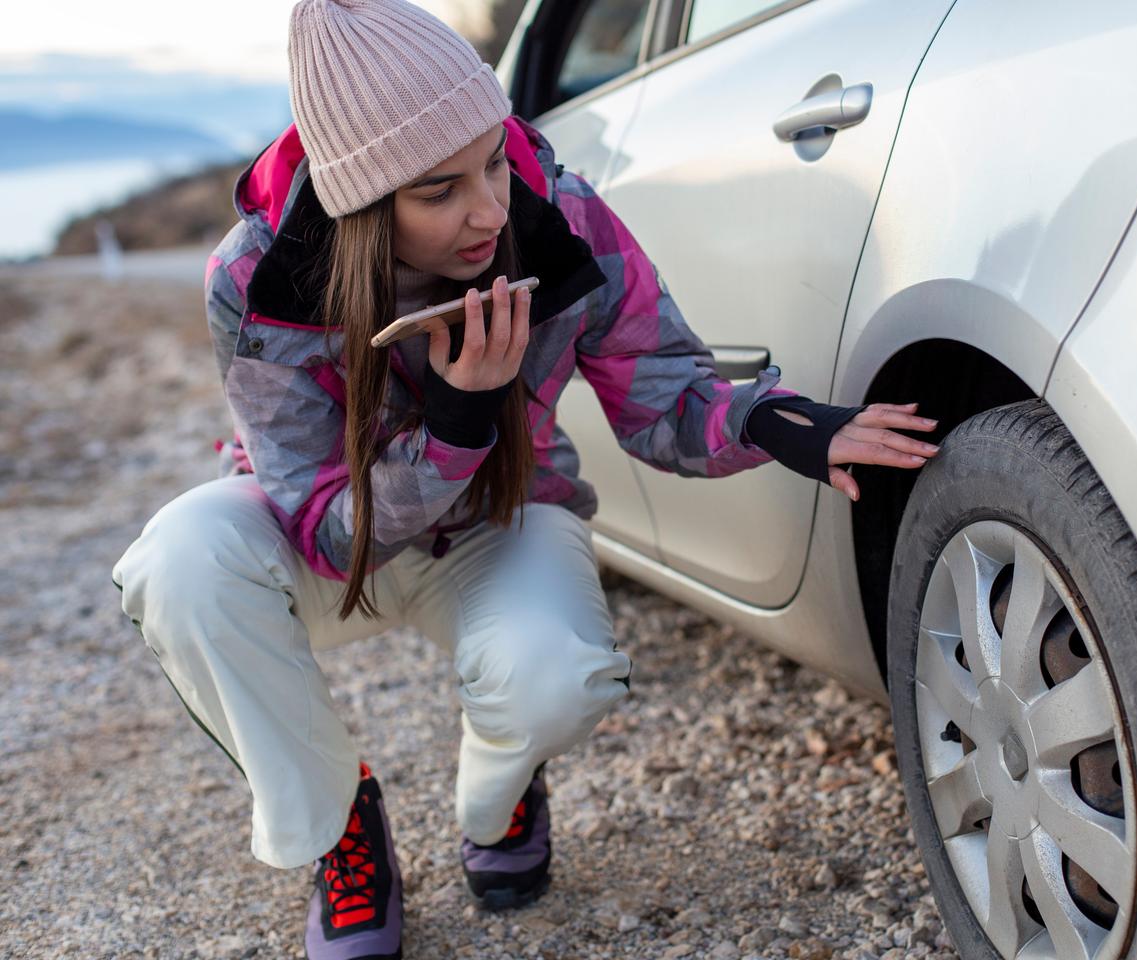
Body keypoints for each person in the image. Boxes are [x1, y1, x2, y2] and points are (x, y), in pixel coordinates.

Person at [110, 1, 940, 957]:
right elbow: (327, 528)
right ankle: (339, 823)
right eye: (439, 192)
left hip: (503, 515)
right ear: (361, 202)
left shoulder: (559, 215)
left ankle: (496, 799)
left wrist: (781, 424)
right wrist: (460, 421)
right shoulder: (258, 279)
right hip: (339, 540)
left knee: (560, 678)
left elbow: (663, 391)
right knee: (178, 560)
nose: (490, 209)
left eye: (494, 160)